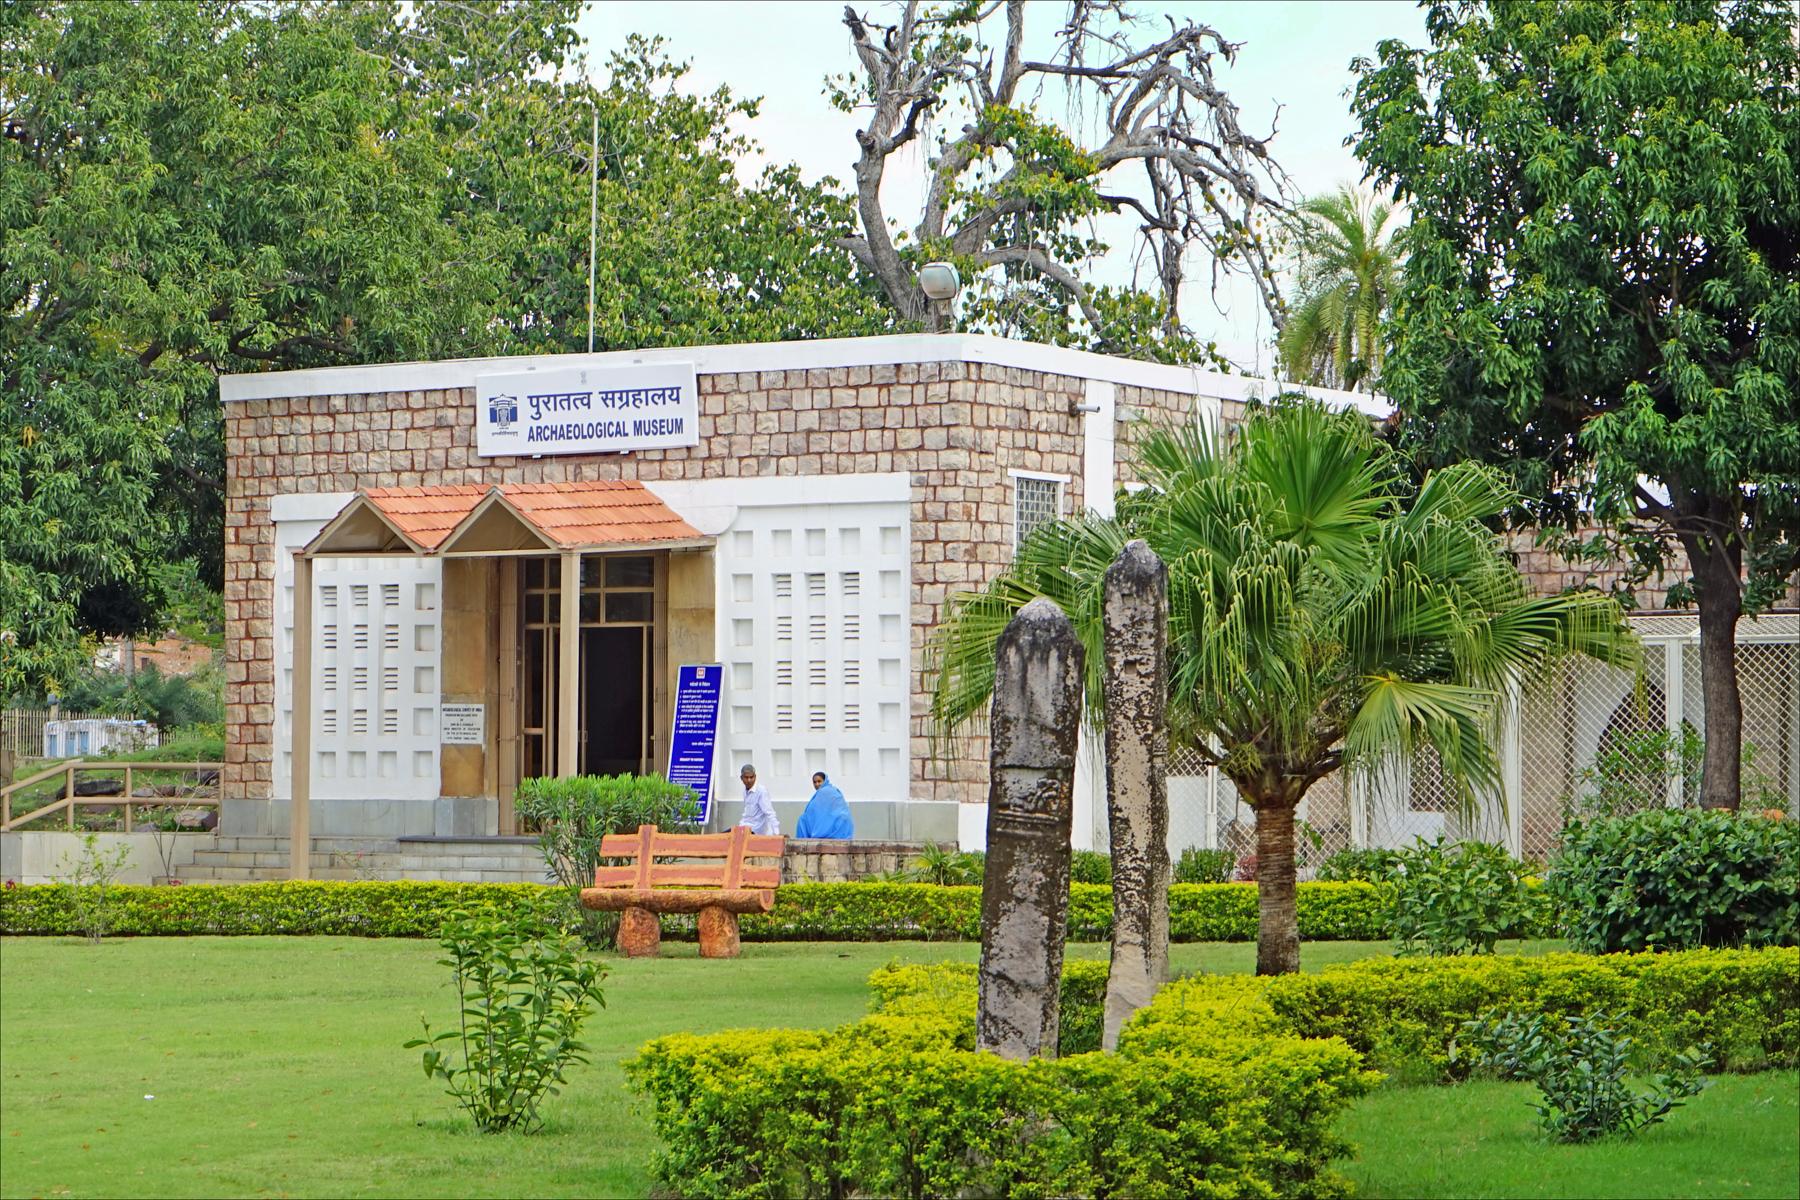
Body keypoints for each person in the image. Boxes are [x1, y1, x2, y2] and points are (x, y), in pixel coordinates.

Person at [794, 771, 853, 839]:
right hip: (831, 822)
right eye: (814, 782)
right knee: (803, 819)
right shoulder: (832, 790)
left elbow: (838, 808)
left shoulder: (825, 791)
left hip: (833, 820)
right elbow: (814, 810)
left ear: (824, 781)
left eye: (819, 781)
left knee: (802, 820)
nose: (817, 784)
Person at [737, 763, 780, 837]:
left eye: (751, 777)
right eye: (746, 777)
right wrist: (739, 827)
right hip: (746, 829)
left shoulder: (761, 791)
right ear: (741, 778)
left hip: (756, 832)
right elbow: (747, 814)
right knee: (725, 835)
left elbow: (770, 813)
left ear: (755, 777)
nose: (749, 780)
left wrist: (776, 833)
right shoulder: (745, 791)